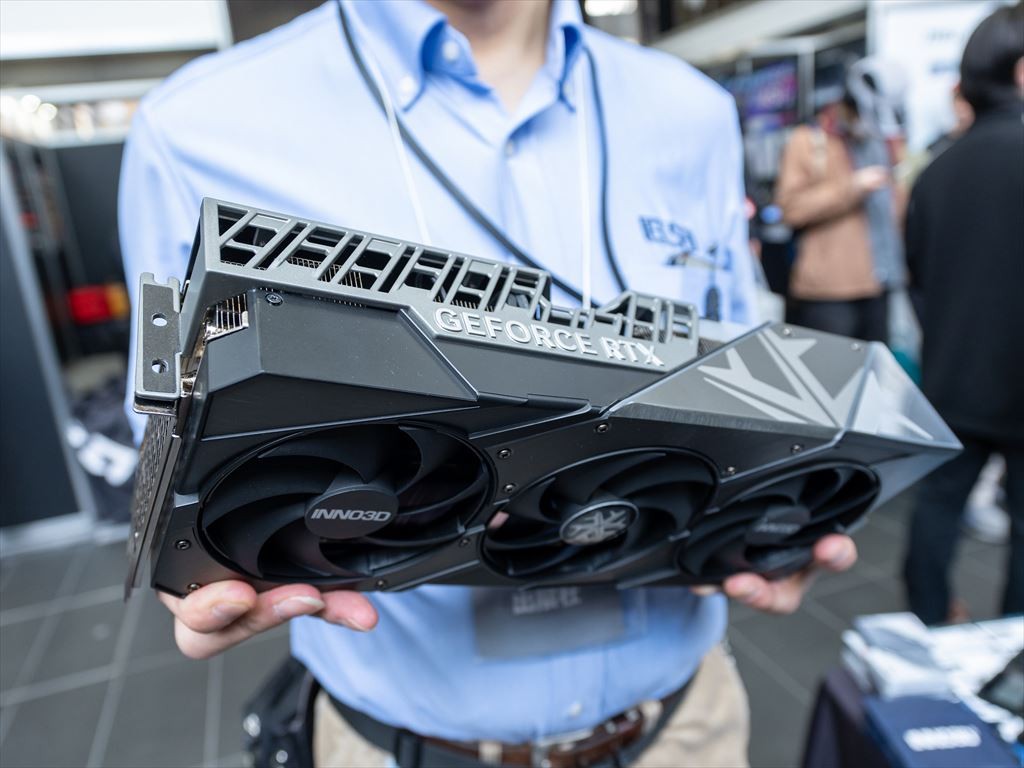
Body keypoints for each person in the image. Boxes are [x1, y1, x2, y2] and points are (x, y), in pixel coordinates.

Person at [119, 2, 859, 766]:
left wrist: (763, 529)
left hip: (684, 731)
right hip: (402, 744)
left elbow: (739, 386)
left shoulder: (691, 113)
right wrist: (189, 553)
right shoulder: (198, 128)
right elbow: (172, 448)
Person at [902, 3, 1024, 627]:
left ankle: (927, 626)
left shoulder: (936, 170)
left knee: (939, 503)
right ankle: (1011, 649)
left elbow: (918, 278)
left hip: (953, 373)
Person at [774, 59, 907, 343]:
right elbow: (790, 208)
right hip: (829, 291)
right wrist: (852, 186)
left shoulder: (876, 140)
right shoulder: (807, 141)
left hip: (880, 281)